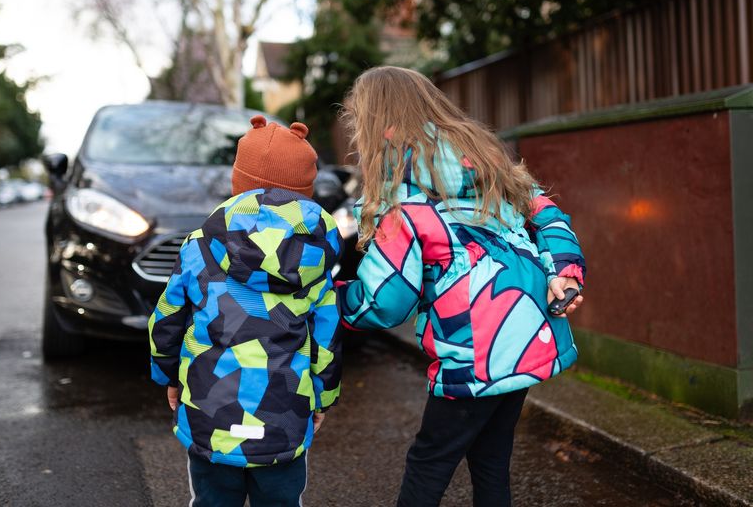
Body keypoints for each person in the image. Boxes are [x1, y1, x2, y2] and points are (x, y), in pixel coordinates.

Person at [335, 66, 586, 507]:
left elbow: (385, 301)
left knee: (429, 462)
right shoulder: (482, 158)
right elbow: (545, 211)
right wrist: (564, 269)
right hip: (527, 333)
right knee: (491, 459)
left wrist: (332, 298)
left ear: (376, 122)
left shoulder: (402, 197)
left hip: (475, 351)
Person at [149, 115, 343, 507]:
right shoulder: (317, 257)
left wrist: (168, 375)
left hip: (208, 409)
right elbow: (327, 337)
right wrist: (321, 398)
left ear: (239, 181)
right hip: (284, 416)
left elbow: (166, 317)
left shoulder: (200, 243)